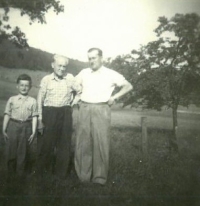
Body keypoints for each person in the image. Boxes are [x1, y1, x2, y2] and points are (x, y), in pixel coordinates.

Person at [74, 48, 133, 185]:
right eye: (89, 58)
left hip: (101, 109)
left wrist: (115, 97)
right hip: (84, 108)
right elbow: (74, 82)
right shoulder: (84, 72)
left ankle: (99, 178)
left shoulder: (110, 74)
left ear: (101, 58)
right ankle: (83, 176)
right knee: (83, 143)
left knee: (101, 142)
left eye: (94, 58)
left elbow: (128, 86)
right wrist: (77, 87)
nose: (91, 61)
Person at [37, 54, 80, 180]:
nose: (62, 68)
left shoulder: (70, 78)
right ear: (53, 65)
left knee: (64, 144)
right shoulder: (46, 79)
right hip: (49, 112)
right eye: (59, 65)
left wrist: (73, 103)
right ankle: (43, 172)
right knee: (46, 143)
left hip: (65, 113)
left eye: (64, 66)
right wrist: (40, 119)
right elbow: (40, 99)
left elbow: (80, 91)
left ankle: (60, 174)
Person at [2, 74, 38, 179]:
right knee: (11, 149)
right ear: (17, 86)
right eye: (21, 85)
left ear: (30, 87)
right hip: (13, 125)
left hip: (26, 126)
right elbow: (7, 114)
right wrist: (4, 129)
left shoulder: (32, 101)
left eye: (26, 85)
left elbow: (35, 116)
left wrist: (33, 131)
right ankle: (10, 173)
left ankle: (20, 174)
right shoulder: (12, 99)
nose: (24, 88)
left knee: (23, 150)